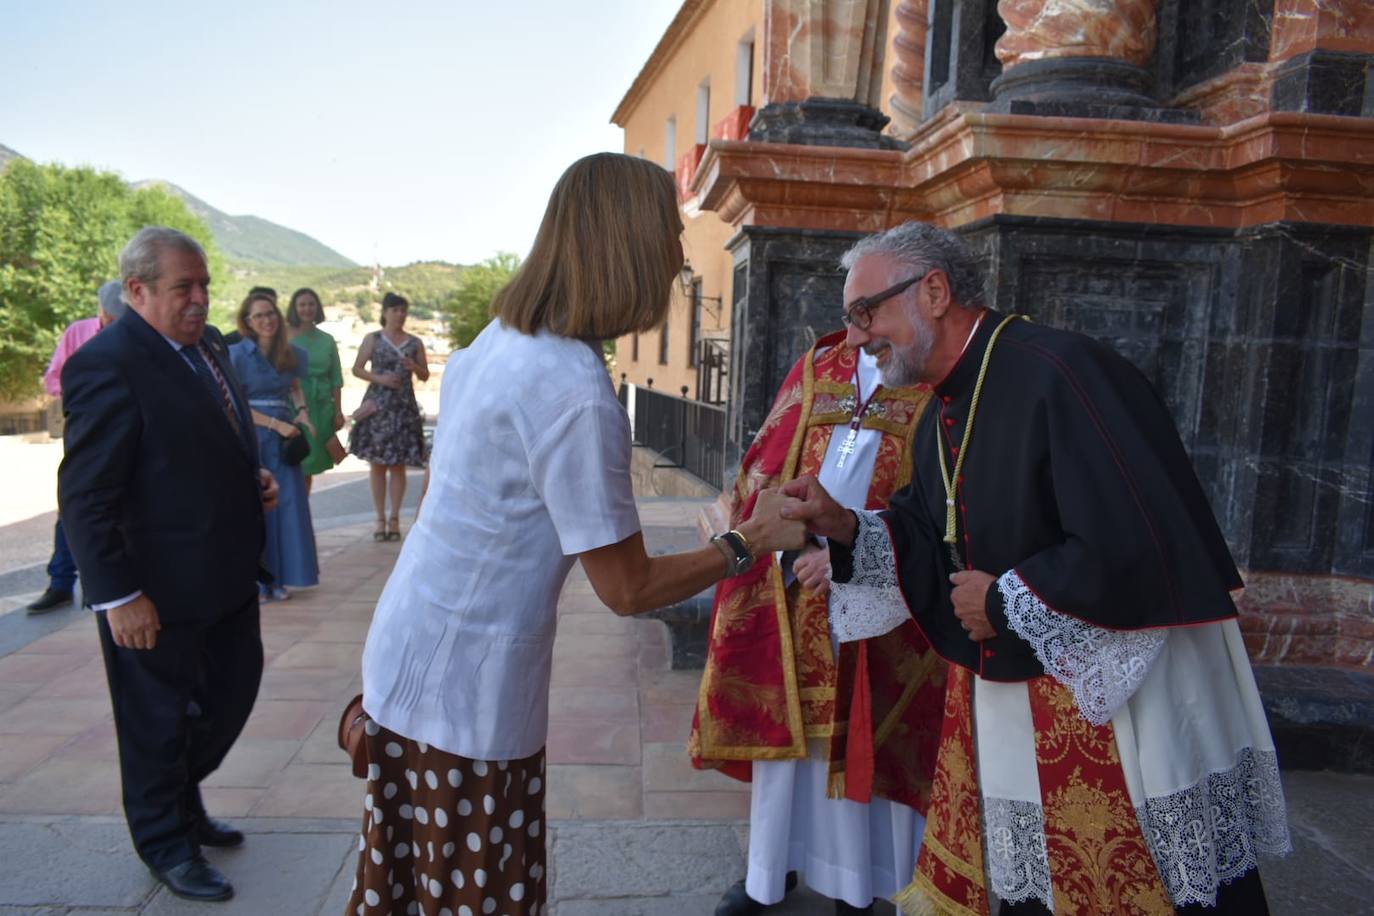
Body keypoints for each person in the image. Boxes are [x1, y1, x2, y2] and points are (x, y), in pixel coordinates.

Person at [780, 221, 1291, 915]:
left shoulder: (1063, 371)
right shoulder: (939, 414)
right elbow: (926, 535)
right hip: (1019, 707)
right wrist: (840, 523)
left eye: (865, 313)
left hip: (1123, 697)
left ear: (933, 291)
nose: (856, 338)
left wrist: (1005, 600)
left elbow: (1139, 538)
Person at [345, 152, 806, 916]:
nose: (675, 256)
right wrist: (747, 541)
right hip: (468, 686)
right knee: (477, 895)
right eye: (667, 234)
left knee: (405, 889)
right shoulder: (572, 389)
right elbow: (628, 589)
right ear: (624, 246)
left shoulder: (493, 343)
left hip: (409, 648)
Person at [58, 226, 279, 903]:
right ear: (137, 290)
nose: (200, 299)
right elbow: (86, 494)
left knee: (232, 692)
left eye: (205, 285)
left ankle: (181, 799)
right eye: (184, 287)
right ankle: (165, 841)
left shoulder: (206, 346)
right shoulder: (107, 363)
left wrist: (253, 482)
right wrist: (118, 594)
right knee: (154, 720)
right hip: (153, 588)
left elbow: (206, 440)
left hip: (226, 573)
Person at [691, 335, 944, 916]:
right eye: (850, 312)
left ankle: (862, 887)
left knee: (866, 738)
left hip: (885, 602)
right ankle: (770, 873)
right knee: (790, 757)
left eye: (867, 312)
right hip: (795, 589)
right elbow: (764, 465)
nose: (854, 332)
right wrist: (786, 544)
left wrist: (855, 555)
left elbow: (946, 502)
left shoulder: (931, 376)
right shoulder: (819, 366)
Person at [27, 280, 127, 614]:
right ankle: (60, 583)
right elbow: (54, 376)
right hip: (84, 428)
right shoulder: (78, 332)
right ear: (102, 311)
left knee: (116, 505)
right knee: (75, 501)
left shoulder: (136, 335)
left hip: (123, 429)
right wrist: (80, 394)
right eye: (111, 318)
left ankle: (105, 585)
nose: (114, 324)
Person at [230, 292, 319, 600]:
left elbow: (295, 388)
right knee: (259, 508)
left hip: (285, 438)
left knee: (289, 507)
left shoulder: (289, 352)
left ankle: (281, 579)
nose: (266, 320)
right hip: (254, 436)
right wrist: (275, 424)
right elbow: (236, 404)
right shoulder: (237, 355)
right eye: (259, 316)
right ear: (248, 322)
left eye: (270, 314)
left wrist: (303, 413)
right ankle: (259, 581)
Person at [349, 291, 429, 541]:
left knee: (398, 464)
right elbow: (357, 368)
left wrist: (414, 367)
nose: (400, 314)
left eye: (403, 310)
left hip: (403, 407)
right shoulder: (372, 338)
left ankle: (394, 519)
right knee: (377, 463)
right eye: (395, 310)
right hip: (377, 407)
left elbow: (425, 375)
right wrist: (379, 378)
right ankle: (379, 518)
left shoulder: (415, 342)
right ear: (385, 312)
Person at [286, 287, 346, 491]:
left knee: (310, 465)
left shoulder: (327, 339)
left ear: (318, 307)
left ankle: (302, 512)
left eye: (311, 304)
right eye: (302, 304)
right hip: (293, 405)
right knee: (294, 461)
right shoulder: (284, 336)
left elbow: (336, 379)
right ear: (294, 308)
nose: (307, 309)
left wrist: (338, 411)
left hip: (321, 409)